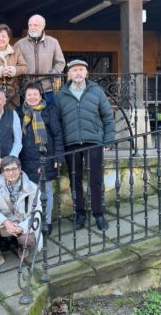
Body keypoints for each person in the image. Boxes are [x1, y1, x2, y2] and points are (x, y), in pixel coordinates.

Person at [55, 59, 115, 231]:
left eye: (81, 70)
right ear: (69, 74)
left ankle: (99, 214)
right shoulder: (62, 94)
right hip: (71, 143)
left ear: (86, 73)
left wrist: (108, 139)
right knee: (75, 180)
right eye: (74, 70)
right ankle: (80, 213)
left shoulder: (96, 91)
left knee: (95, 180)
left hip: (93, 141)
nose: (78, 73)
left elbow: (107, 117)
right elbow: (58, 122)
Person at [17, 83, 64, 236]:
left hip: (46, 158)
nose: (32, 97)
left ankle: (46, 222)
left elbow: (57, 135)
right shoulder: (19, 113)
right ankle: (32, 222)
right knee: (29, 194)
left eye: (35, 94)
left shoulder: (49, 111)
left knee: (46, 193)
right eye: (29, 94)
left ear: (40, 96)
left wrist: (58, 156)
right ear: (25, 96)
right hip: (25, 159)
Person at [0, 156, 42, 273]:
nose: (11, 173)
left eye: (14, 169)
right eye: (7, 170)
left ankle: (22, 246)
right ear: (3, 172)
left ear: (20, 169)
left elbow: (37, 213)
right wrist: (4, 221)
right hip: (6, 222)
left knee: (28, 240)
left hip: (23, 222)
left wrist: (22, 227)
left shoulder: (32, 188)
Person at [14, 14, 65, 106]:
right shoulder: (19, 44)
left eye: (35, 25)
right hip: (27, 89)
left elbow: (60, 62)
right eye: (30, 25)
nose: (32, 27)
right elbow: (14, 64)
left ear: (43, 26)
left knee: (49, 115)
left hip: (47, 88)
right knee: (27, 116)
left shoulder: (53, 42)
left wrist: (52, 74)